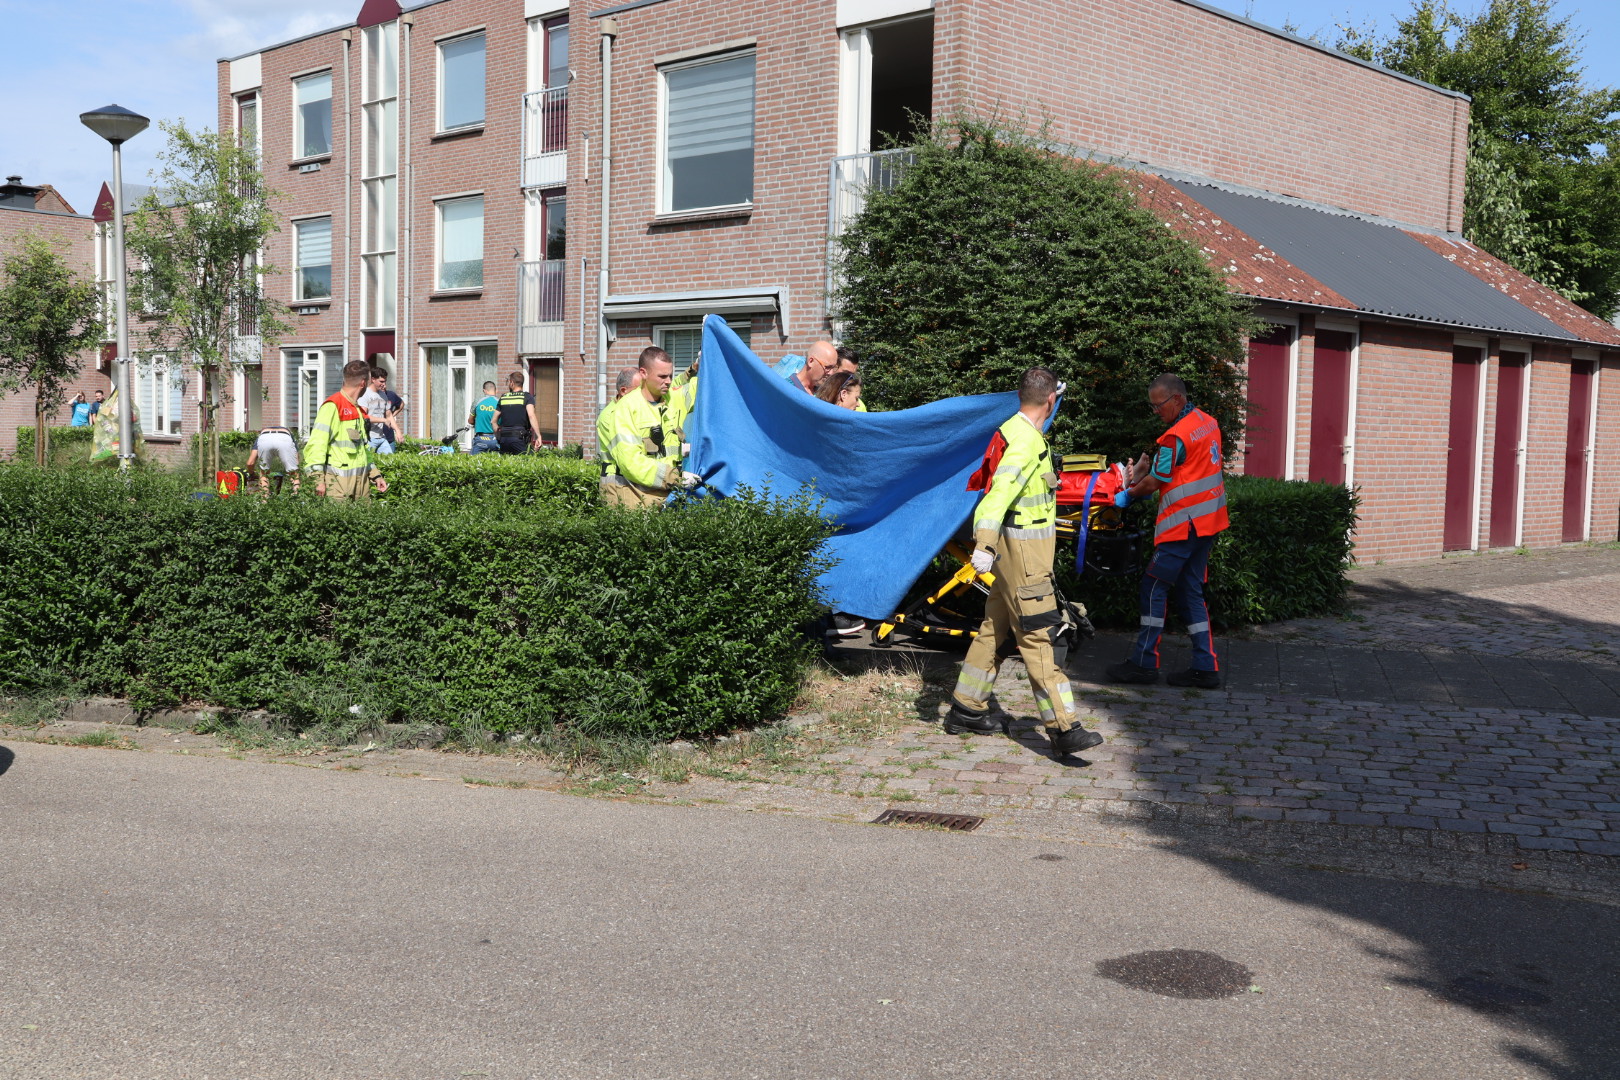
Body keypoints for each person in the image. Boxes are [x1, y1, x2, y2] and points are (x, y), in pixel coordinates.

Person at [944, 367, 1104, 757]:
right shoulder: (1027, 442)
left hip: (1011, 558)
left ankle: (967, 708)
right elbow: (998, 494)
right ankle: (1063, 727)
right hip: (1024, 559)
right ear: (1050, 400)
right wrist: (983, 543)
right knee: (1041, 636)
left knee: (995, 630)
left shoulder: (1012, 430)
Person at [1106, 373, 1229, 689]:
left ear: (1177, 399)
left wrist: (1128, 493)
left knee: (1153, 588)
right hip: (1208, 522)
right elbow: (1189, 473)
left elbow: (1156, 481)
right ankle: (1205, 666)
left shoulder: (1175, 438)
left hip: (1184, 527)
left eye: (1158, 405)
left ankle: (1143, 663)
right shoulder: (1208, 422)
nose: (1155, 411)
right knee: (1190, 589)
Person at [599, 346, 699, 507]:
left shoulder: (674, 397)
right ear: (643, 373)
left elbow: (700, 388)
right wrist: (676, 478)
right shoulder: (625, 408)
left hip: (669, 494)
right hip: (636, 497)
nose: (668, 381)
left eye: (670, 375)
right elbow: (631, 461)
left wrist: (705, 361)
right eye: (662, 376)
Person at [306, 359, 387, 501]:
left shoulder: (357, 410)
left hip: (361, 487)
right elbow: (317, 444)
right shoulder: (333, 406)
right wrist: (317, 479)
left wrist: (375, 475)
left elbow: (363, 448)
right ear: (363, 383)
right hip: (337, 488)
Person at [595, 367, 642, 460]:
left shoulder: (638, 409)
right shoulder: (608, 417)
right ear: (623, 391)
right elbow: (626, 454)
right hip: (617, 469)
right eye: (639, 390)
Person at [245, 426, 301, 495]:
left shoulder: (261, 436)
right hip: (284, 437)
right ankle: (296, 497)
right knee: (294, 474)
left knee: (264, 474)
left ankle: (264, 498)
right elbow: (297, 462)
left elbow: (250, 463)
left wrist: (252, 474)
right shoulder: (289, 434)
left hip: (265, 437)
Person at [494, 372, 541, 455]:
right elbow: (531, 415)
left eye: (509, 382)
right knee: (526, 460)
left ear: (512, 382)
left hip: (504, 438)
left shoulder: (503, 397)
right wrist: (538, 436)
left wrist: (498, 437)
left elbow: (493, 421)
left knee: (505, 462)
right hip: (520, 438)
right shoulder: (527, 397)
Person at [359, 368, 404, 454]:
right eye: (381, 381)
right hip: (368, 438)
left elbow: (389, 415)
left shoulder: (383, 395)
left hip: (381, 437)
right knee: (368, 462)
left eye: (385, 381)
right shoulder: (364, 394)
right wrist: (383, 420)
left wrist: (398, 431)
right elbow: (363, 416)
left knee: (390, 461)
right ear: (373, 379)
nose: (384, 384)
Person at [467, 380, 500, 454]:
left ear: (484, 391)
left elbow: (470, 421)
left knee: (474, 460)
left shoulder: (477, 402)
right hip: (495, 439)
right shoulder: (500, 402)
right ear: (496, 390)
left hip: (481, 439)